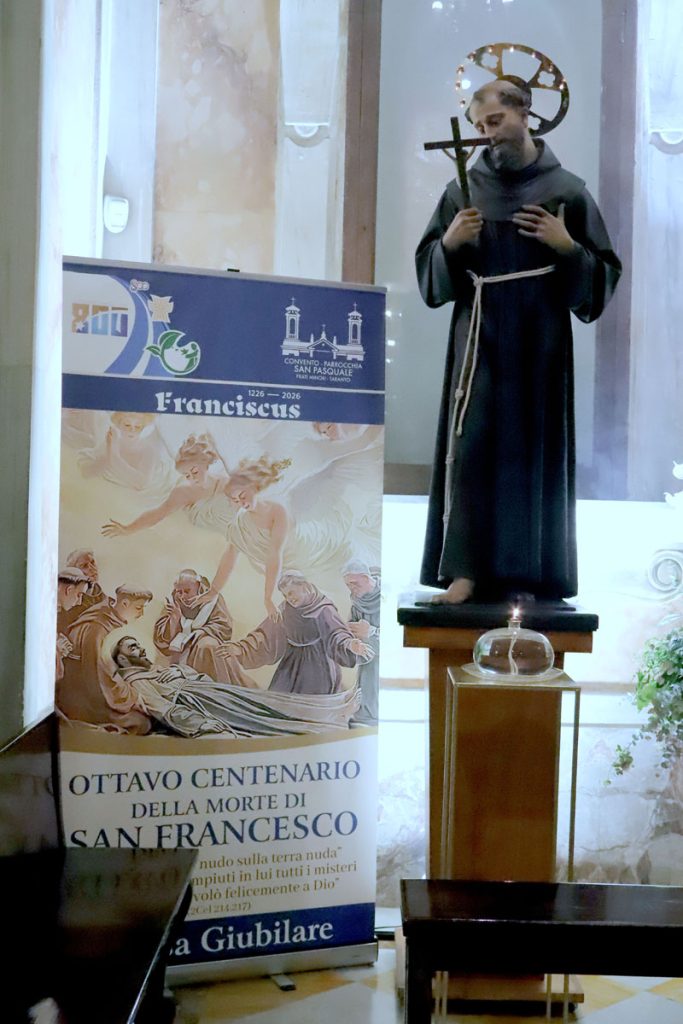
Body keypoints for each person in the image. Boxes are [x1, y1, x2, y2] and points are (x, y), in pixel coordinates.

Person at [416, 80, 622, 604]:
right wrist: (449, 245)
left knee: (528, 449)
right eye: (479, 126)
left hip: (538, 340)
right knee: (472, 443)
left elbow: (601, 278)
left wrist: (567, 246)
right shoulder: (462, 191)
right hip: (480, 332)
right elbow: (431, 277)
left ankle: (522, 575)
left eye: (496, 121)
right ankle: (463, 572)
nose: (487, 134)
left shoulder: (567, 191)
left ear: (526, 113)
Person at [111, 635, 360, 736]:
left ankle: (332, 707)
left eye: (138, 644)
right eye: (133, 647)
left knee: (265, 701)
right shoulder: (137, 682)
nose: (141, 648)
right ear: (122, 660)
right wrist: (202, 724)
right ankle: (326, 718)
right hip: (203, 702)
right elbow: (163, 708)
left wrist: (179, 671)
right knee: (261, 715)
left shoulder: (156, 671)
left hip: (210, 692)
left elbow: (197, 676)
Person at [218, 570, 372, 695]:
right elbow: (266, 634)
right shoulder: (285, 609)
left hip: (319, 667)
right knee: (278, 701)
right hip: (290, 666)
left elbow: (337, 633)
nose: (289, 598)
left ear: (304, 586)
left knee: (312, 705)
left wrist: (350, 644)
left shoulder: (324, 608)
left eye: (291, 592)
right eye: (285, 595)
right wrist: (241, 648)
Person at [56, 584, 153, 732]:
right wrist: (132, 697)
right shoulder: (98, 627)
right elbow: (101, 675)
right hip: (84, 696)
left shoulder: (109, 616)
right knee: (142, 722)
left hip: (95, 688)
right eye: (139, 608)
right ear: (124, 603)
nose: (141, 614)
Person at [153, 568, 233, 681]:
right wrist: (174, 620)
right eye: (179, 592)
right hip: (177, 654)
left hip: (202, 649)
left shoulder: (213, 599)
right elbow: (161, 640)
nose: (183, 596)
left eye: (187, 591)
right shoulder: (173, 601)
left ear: (198, 587)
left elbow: (224, 626)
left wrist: (201, 632)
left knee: (208, 645)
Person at [343, 559, 381, 725]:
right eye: (348, 585)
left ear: (366, 578)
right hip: (367, 659)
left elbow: (400, 633)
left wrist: (372, 631)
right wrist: (353, 642)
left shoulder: (386, 595)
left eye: (354, 583)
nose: (351, 588)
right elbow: (350, 628)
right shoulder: (357, 602)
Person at [55, 567, 89, 681]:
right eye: (79, 595)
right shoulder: (42, 610)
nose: (79, 602)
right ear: (69, 590)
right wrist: (56, 648)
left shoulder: (60, 613)